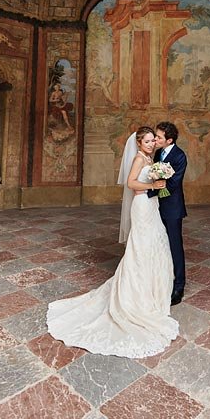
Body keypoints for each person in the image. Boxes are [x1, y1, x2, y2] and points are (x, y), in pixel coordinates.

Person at [46, 126, 179, 358]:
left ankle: (152, 291)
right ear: (138, 143)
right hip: (142, 205)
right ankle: (134, 295)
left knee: (154, 245)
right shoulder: (139, 159)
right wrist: (152, 185)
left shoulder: (150, 158)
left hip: (151, 206)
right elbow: (131, 184)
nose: (151, 144)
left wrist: (159, 181)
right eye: (147, 141)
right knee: (141, 247)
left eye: (152, 141)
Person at [149, 121, 188, 305]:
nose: (155, 139)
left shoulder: (180, 156)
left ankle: (179, 285)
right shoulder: (158, 153)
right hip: (156, 206)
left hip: (172, 208)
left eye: (158, 137)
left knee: (174, 245)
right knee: (159, 243)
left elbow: (173, 184)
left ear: (169, 140)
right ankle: (161, 278)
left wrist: (151, 190)